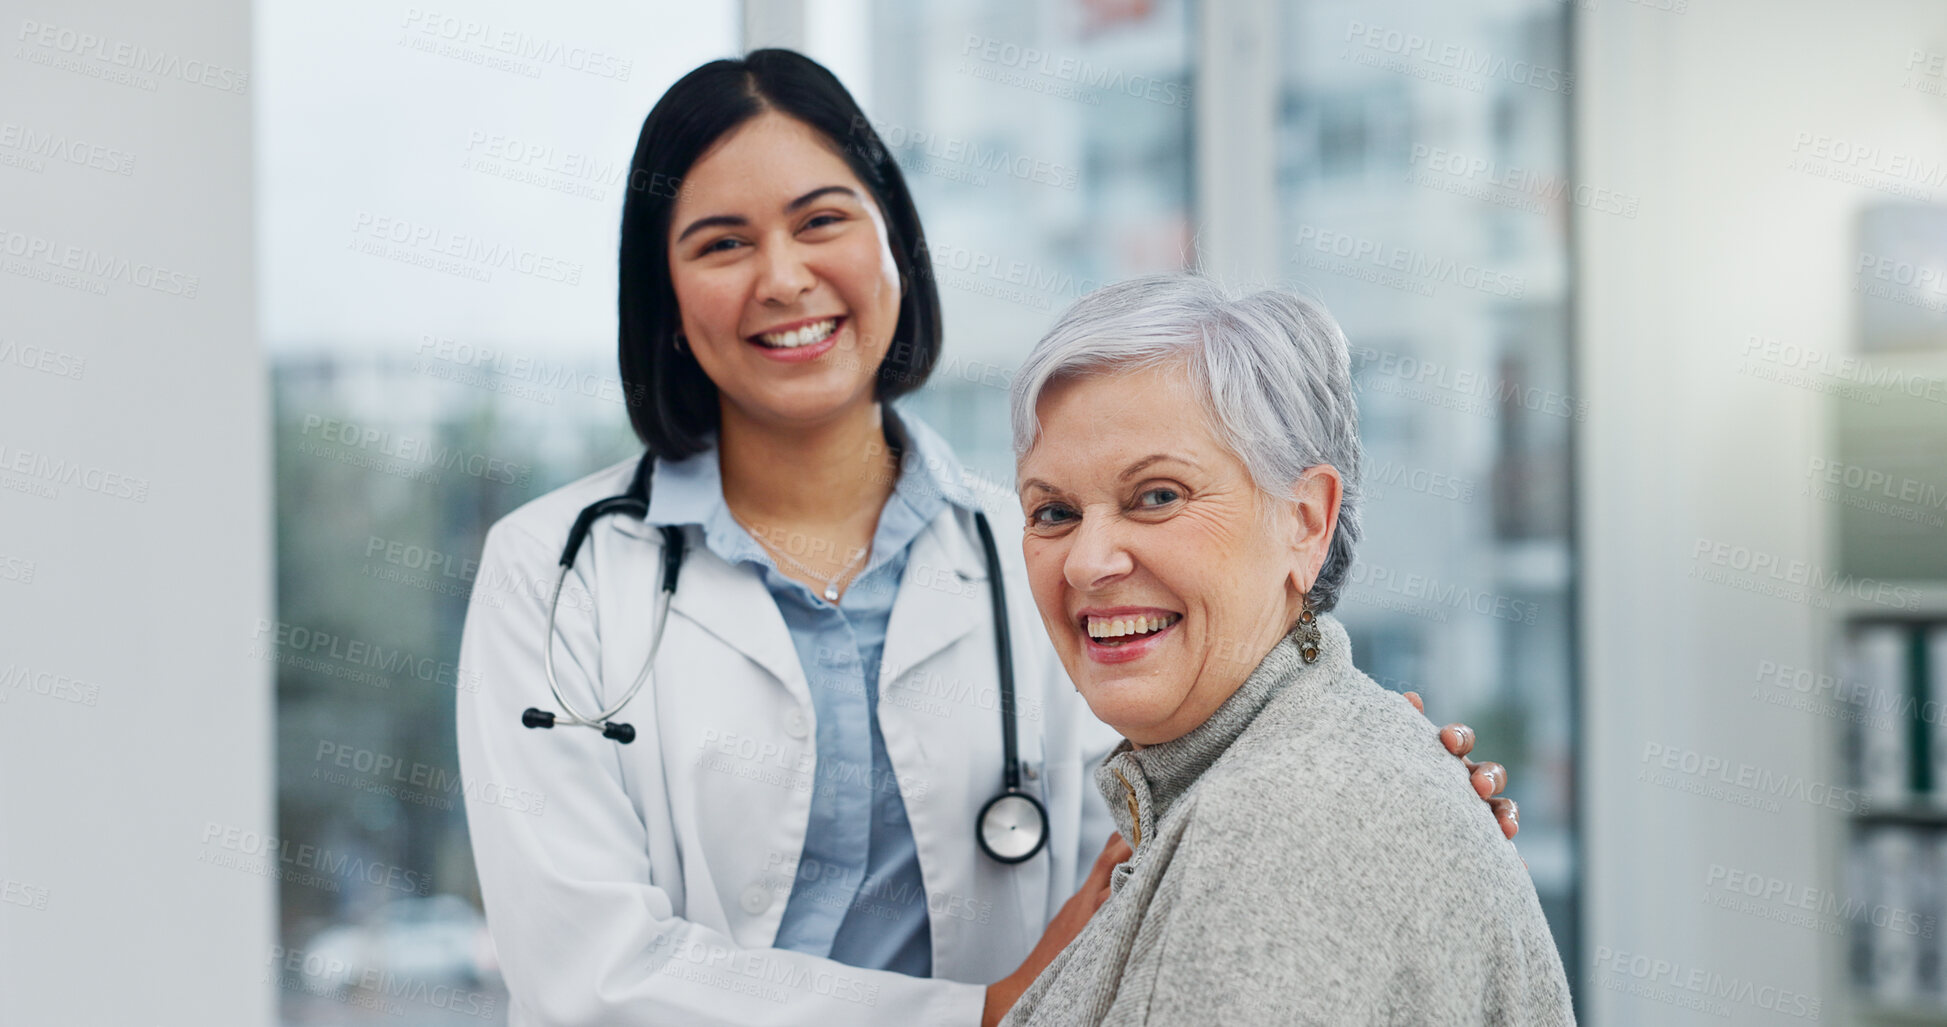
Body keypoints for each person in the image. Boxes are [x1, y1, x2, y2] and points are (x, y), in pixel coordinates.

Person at [454, 49, 1519, 1027]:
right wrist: (972, 1013)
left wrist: (1363, 773)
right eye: (722, 243)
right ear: (667, 297)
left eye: (821, 221)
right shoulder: (557, 572)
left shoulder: (1044, 544)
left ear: (893, 247)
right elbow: (585, 970)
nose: (781, 278)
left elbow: (1185, 783)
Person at [998, 273, 1574, 1025]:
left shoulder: (1293, 825)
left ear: (1305, 522)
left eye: (1158, 495)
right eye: (1054, 511)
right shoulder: (1276, 775)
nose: (1085, 561)